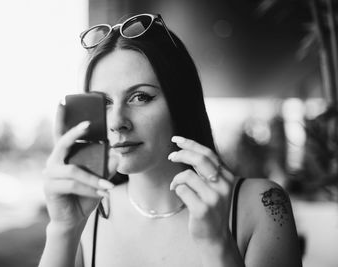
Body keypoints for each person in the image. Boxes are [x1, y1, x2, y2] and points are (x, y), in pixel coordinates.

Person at [39, 13, 302, 267]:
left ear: (181, 104)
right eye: (104, 102)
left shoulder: (263, 204)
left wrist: (217, 245)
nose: (117, 122)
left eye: (140, 97)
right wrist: (63, 229)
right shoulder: (88, 215)